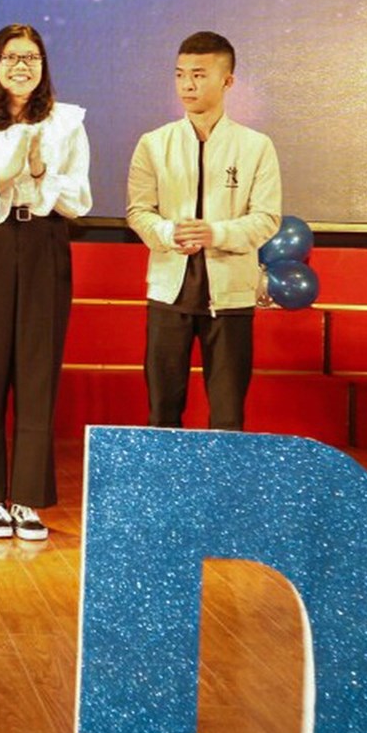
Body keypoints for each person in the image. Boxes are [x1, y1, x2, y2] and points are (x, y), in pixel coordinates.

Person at [0, 24, 91, 541]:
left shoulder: (67, 121)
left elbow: (80, 201)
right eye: (11, 57)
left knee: (37, 371)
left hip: (43, 243)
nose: (21, 66)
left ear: (43, 66)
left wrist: (39, 172)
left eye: (31, 58)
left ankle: (28, 498)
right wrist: (4, 175)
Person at [126, 30, 281, 432]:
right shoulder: (154, 144)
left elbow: (267, 218)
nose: (187, 85)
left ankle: (224, 477)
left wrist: (215, 233)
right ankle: (166, 476)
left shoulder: (256, 146)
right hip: (168, 292)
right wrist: (168, 232)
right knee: (162, 412)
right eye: (180, 75)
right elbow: (138, 212)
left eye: (199, 75)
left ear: (227, 81)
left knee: (228, 416)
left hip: (230, 296)